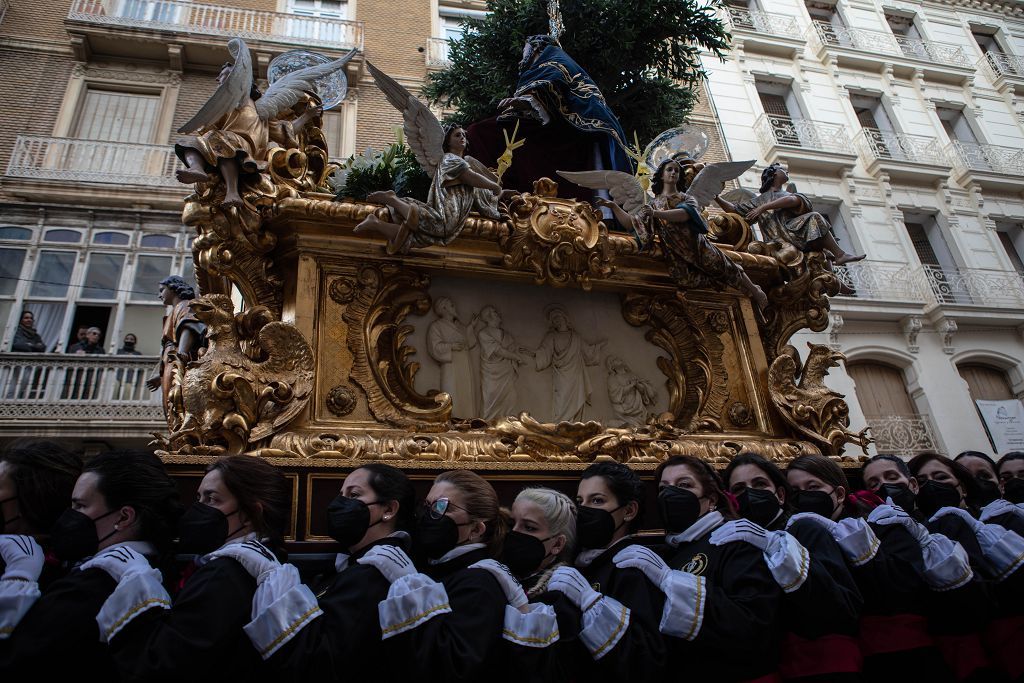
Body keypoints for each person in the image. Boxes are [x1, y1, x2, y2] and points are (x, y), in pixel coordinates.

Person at [86, 455, 290, 681]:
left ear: (251, 514)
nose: (198, 508)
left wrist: (134, 588)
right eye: (199, 498)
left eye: (212, 499)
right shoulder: (258, 561)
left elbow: (163, 664)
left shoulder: (225, 574)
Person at [0, 449, 181, 677]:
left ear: (124, 517)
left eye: (81, 506)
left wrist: (19, 573)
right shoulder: (159, 565)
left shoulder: (93, 583)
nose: (70, 516)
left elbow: (15, 659)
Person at [237, 463, 417, 680]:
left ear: (388, 510)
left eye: (353, 495)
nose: (339, 503)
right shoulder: (354, 565)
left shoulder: (373, 573)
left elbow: (320, 660)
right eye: (341, 494)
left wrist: (275, 580)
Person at [789, 454, 957, 682]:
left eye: (813, 487)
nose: (805, 496)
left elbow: (908, 587)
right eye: (796, 491)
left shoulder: (882, 523)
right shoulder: (795, 537)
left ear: (839, 494)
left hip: (902, 656)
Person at [616, 455, 784, 681]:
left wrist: (671, 581)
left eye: (684, 485)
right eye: (664, 488)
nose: (670, 494)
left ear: (712, 499)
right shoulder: (670, 551)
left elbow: (754, 624)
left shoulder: (734, 540)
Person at [372, 469, 525, 682]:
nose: (429, 516)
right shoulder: (440, 566)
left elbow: (455, 668)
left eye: (442, 507)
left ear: (476, 529)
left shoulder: (480, 583)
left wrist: (410, 588)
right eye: (428, 506)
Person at [725, 452, 864, 682]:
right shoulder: (736, 544)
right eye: (739, 489)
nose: (750, 492)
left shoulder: (804, 528)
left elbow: (843, 608)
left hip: (820, 663)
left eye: (759, 484)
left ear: (780, 495)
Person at [865, 454, 1001, 683]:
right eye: (873, 483)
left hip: (973, 646)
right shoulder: (876, 532)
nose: (884, 487)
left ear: (912, 485)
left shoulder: (947, 522)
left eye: (891, 477)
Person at [466, 34, 632, 202]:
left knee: (481, 132)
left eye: (525, 51)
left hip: (566, 133)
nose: (521, 60)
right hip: (545, 129)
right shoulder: (540, 68)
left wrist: (527, 102)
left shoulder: (555, 62)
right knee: (481, 131)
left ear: (536, 48)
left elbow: (555, 89)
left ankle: (493, 190)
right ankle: (495, 190)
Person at [546, 462, 666, 682]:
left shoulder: (633, 567)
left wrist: (591, 602)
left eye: (598, 500)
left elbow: (644, 658)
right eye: (580, 501)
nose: (584, 509)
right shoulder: (582, 561)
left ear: (629, 511)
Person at [598, 158, 768, 310]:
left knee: (724, 266)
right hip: (675, 250)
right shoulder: (653, 204)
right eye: (669, 169)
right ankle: (726, 288)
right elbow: (632, 224)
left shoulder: (686, 198)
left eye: (676, 170)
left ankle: (755, 290)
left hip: (696, 244)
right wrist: (614, 207)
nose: (673, 173)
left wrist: (656, 214)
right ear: (661, 175)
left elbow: (684, 214)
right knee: (685, 280)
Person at [354, 124, 503, 255]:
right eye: (457, 135)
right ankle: (392, 200)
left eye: (464, 135)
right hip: (448, 209)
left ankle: (376, 224)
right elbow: (471, 177)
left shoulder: (465, 161)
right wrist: (494, 185)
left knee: (421, 237)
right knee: (439, 226)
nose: (463, 137)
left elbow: (480, 192)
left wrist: (500, 194)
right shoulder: (450, 159)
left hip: (457, 214)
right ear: (447, 141)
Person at [500, 486, 579, 683]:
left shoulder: (561, 597)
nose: (514, 533)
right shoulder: (501, 574)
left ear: (557, 544)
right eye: (512, 524)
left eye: (529, 528)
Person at [715, 163, 865, 265]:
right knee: (815, 218)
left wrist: (763, 208)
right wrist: (716, 196)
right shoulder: (758, 200)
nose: (786, 171)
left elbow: (795, 200)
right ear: (774, 174)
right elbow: (735, 211)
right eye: (782, 169)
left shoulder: (786, 194)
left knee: (816, 232)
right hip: (777, 241)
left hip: (794, 232)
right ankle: (839, 255)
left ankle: (834, 269)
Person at [532, 304, 606, 423]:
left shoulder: (576, 337)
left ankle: (575, 425)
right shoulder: (551, 336)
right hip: (561, 376)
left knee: (577, 399)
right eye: (554, 319)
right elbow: (545, 352)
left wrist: (598, 347)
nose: (557, 321)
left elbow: (588, 352)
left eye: (559, 318)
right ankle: (562, 424)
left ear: (565, 318)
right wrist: (534, 354)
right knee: (561, 400)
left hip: (576, 375)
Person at [147, 275, 205, 417]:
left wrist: (182, 352)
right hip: (170, 359)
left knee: (176, 400)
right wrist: (159, 376)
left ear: (174, 288)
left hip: (176, 357)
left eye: (162, 290)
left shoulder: (184, 305)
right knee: (170, 401)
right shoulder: (174, 310)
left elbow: (189, 325)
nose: (159, 295)